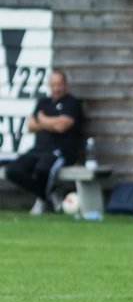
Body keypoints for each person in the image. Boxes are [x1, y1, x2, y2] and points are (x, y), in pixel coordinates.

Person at [5, 68, 84, 213]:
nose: (56, 88)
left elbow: (62, 127)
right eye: (53, 84)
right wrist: (52, 122)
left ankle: (41, 201)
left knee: (42, 169)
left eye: (59, 84)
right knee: (12, 170)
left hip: (61, 151)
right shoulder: (43, 103)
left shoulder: (71, 103)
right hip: (38, 149)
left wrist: (42, 120)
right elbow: (30, 126)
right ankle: (50, 192)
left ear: (65, 85)